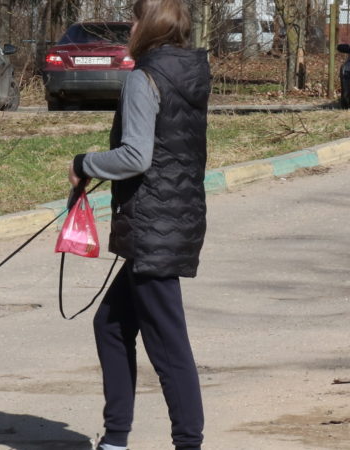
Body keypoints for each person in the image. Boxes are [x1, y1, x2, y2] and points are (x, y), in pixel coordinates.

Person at [67, 1, 209, 449]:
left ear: (149, 26)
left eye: (133, 18)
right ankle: (114, 439)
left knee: (169, 347)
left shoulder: (142, 79)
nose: (127, 26)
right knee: (110, 325)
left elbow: (135, 156)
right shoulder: (189, 73)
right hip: (176, 218)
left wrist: (83, 163)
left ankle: (188, 442)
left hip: (153, 227)